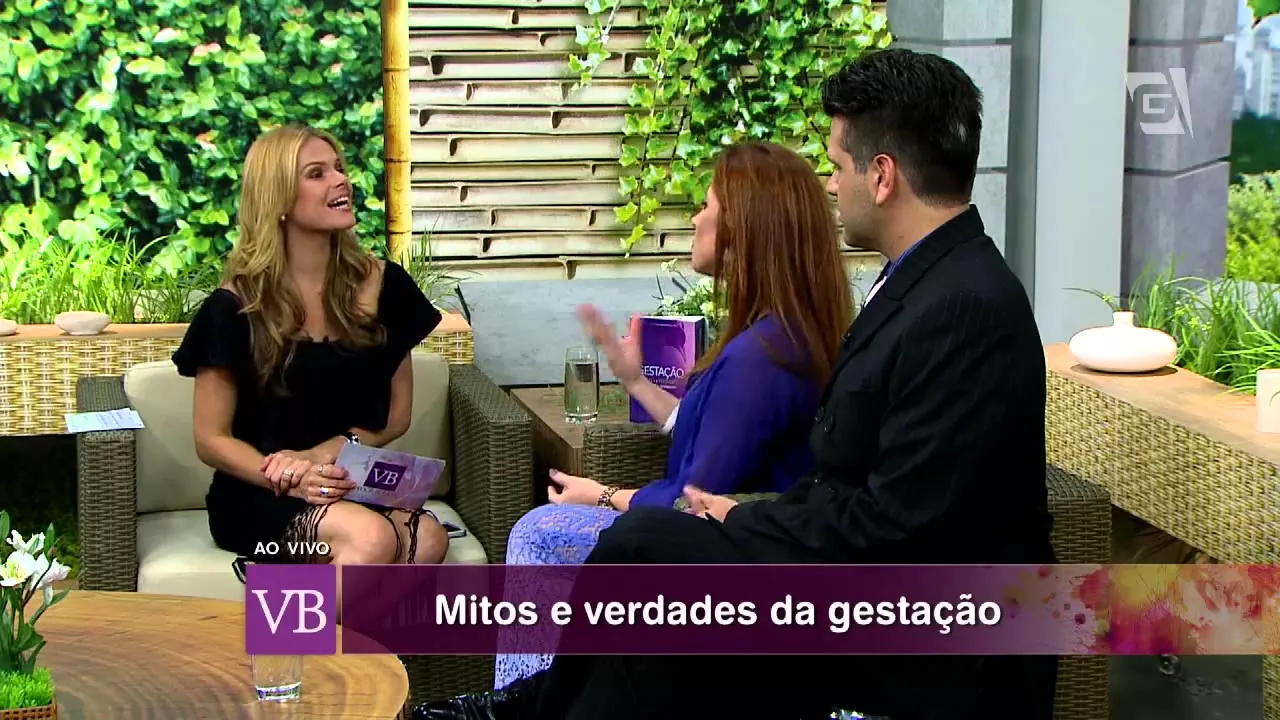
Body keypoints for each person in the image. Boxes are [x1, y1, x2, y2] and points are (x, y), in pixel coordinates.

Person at [414, 49, 1057, 720]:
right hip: (862, 577)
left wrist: (745, 521)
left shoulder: (963, 308)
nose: (832, 186)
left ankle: (526, 707)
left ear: (882, 175)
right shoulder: (923, 285)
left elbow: (896, 524)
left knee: (641, 546)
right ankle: (531, 705)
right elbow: (848, 485)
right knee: (645, 584)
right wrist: (744, 515)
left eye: (838, 166)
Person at [493, 140, 855, 688]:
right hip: (750, 538)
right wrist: (636, 380)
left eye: (706, 206)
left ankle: (527, 704)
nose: (694, 218)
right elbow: (717, 429)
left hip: (735, 557)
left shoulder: (761, 357)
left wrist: (605, 495)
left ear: (742, 230)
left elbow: (694, 500)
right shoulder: (780, 337)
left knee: (539, 533)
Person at [173, 125, 450, 577]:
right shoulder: (235, 308)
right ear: (279, 198)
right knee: (372, 538)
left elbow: (396, 417)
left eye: (339, 168)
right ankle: (280, 617)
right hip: (262, 490)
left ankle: (299, 609)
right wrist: (295, 476)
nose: (341, 180)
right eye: (317, 174)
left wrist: (323, 455)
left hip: (345, 478)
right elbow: (211, 439)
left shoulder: (388, 288)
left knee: (429, 537)